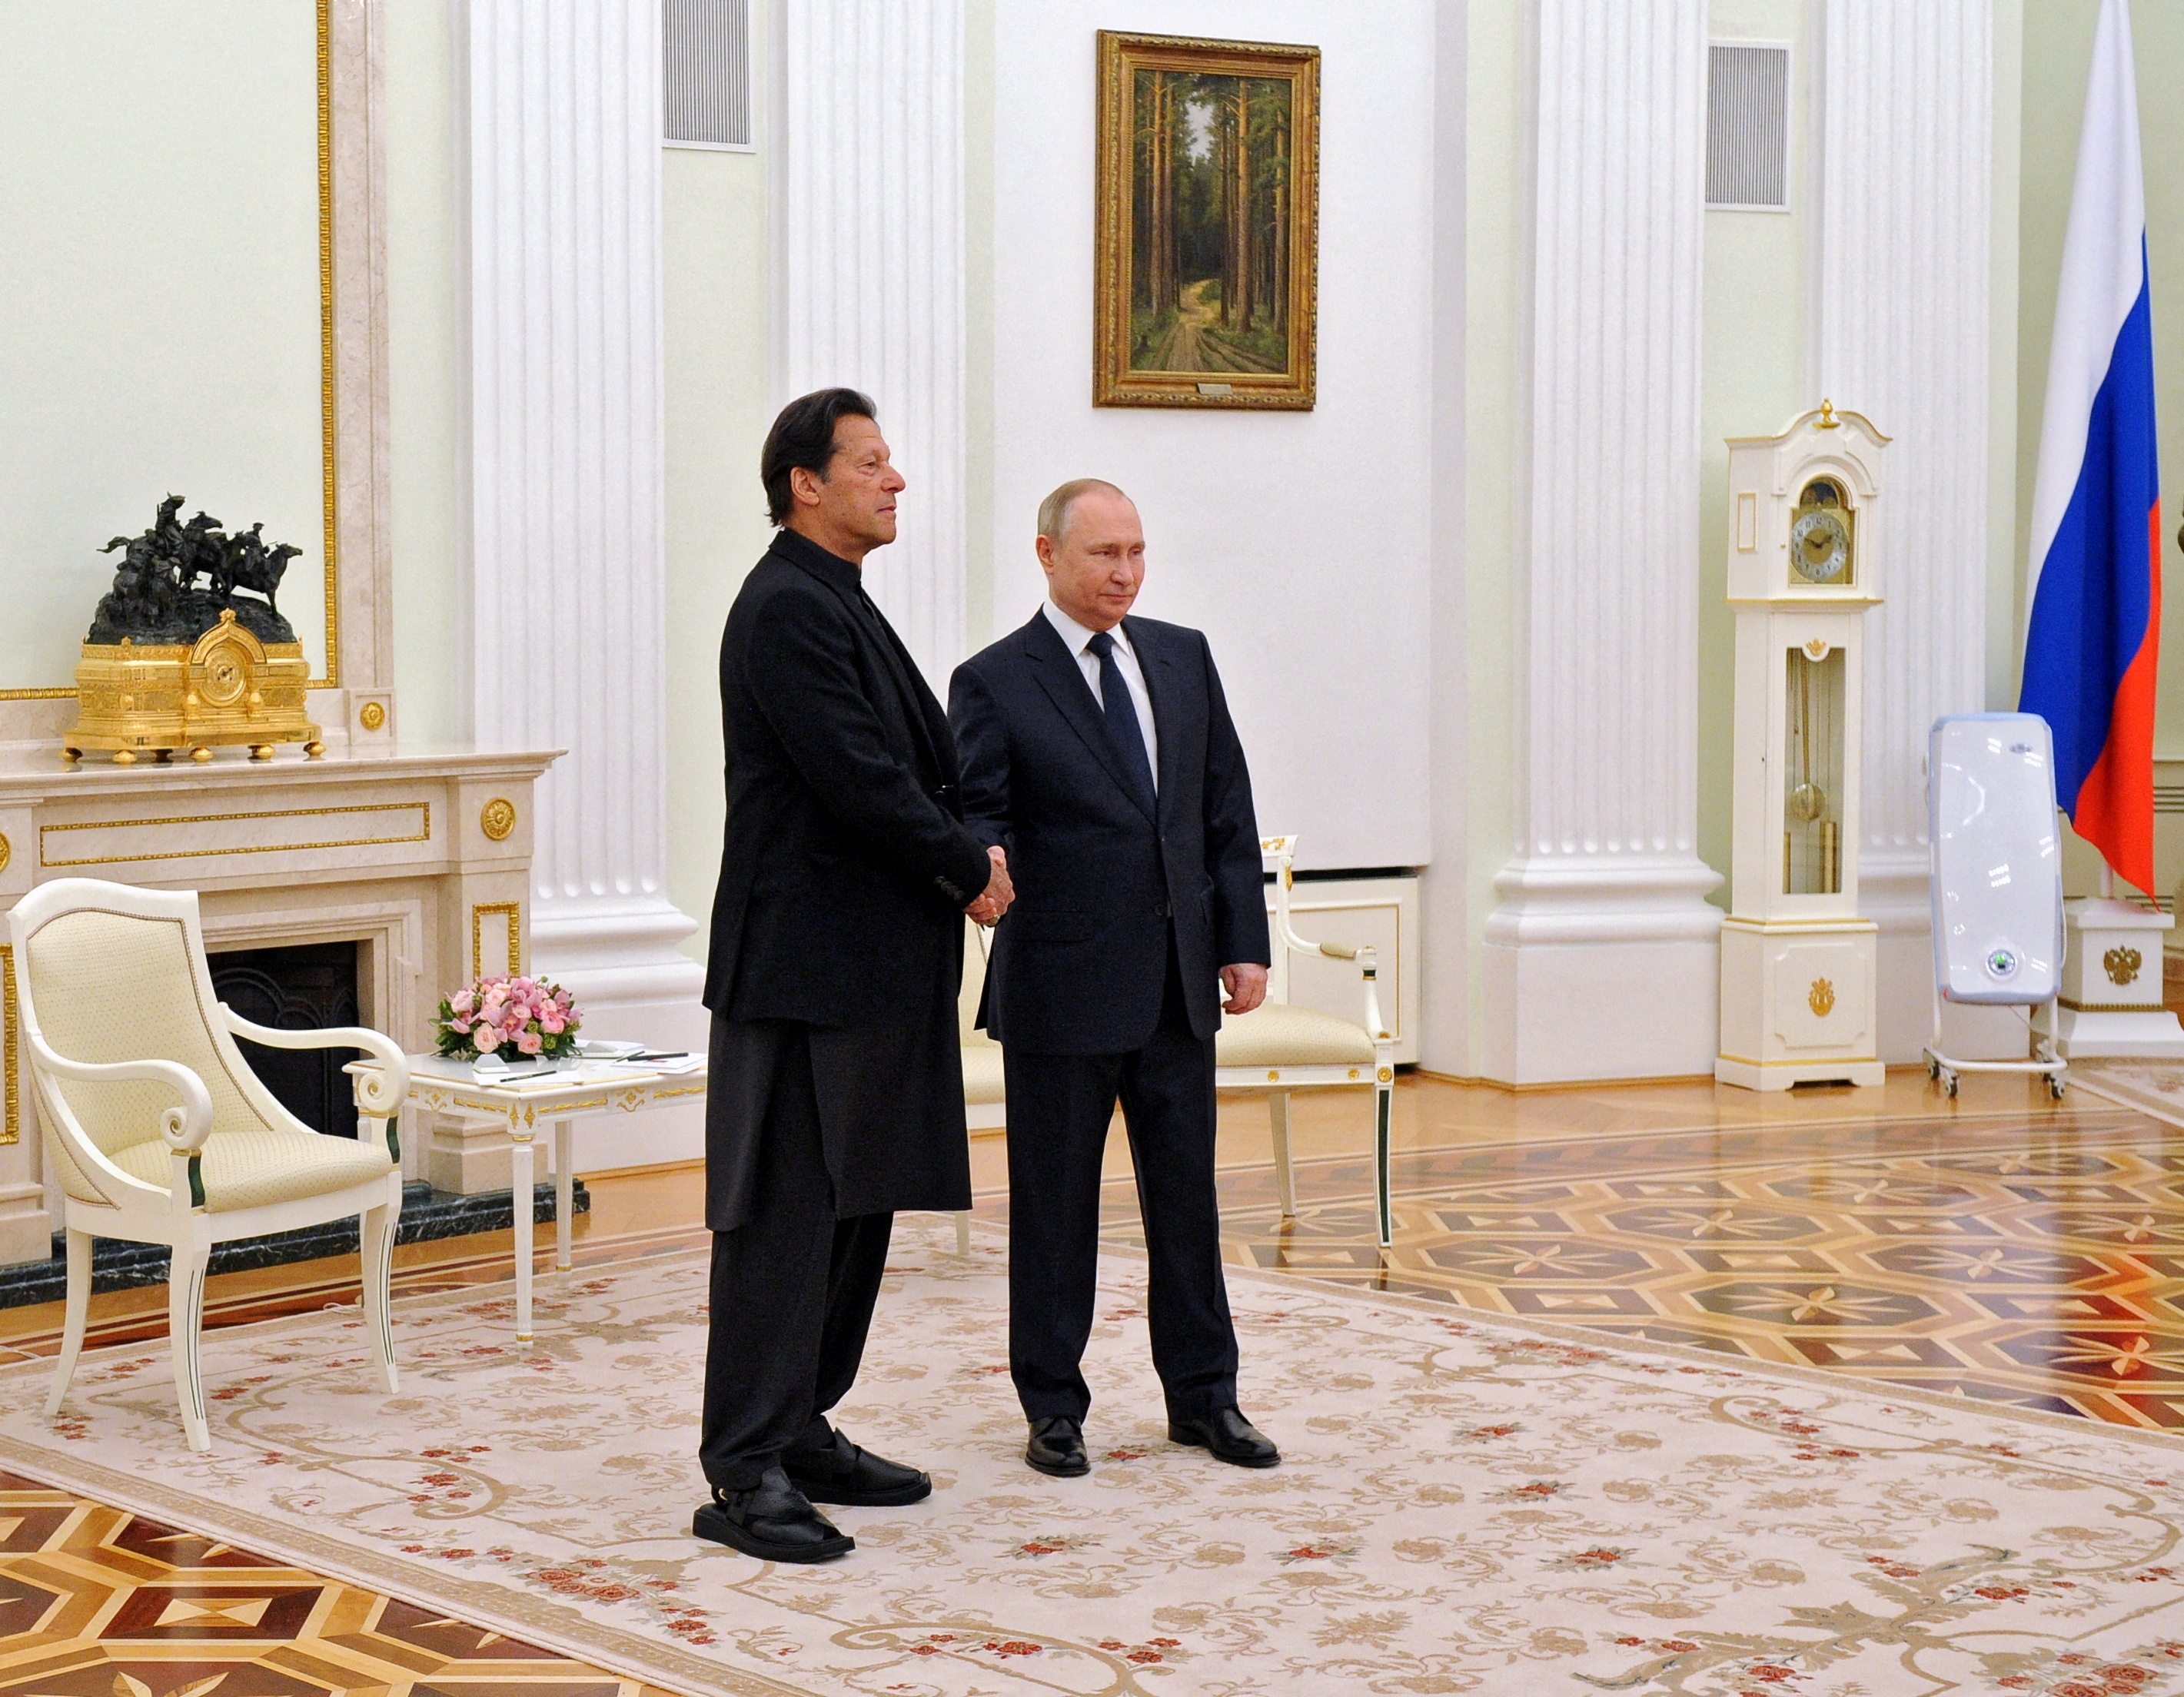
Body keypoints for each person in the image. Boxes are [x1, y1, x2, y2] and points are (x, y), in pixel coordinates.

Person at [696, 387, 1013, 1563]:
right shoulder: (784, 605)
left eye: (892, 463)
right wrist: (966, 866)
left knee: (853, 1211)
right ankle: (742, 1470)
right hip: (801, 974)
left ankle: (802, 1426)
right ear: (804, 484)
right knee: (782, 1220)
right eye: (872, 463)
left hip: (867, 969)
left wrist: (965, 852)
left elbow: (900, 764)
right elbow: (857, 776)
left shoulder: (838, 599)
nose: (897, 480)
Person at [947, 478, 1277, 1479]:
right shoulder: (993, 680)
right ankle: (1052, 1406)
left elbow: (1224, 806)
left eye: (1135, 552)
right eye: (1102, 555)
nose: (1123, 573)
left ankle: (1205, 1400)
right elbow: (978, 809)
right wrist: (980, 868)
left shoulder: (1183, 658)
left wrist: (1243, 939)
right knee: (1054, 1209)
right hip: (1060, 985)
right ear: (1046, 555)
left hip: (1178, 980)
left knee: (1187, 1204)